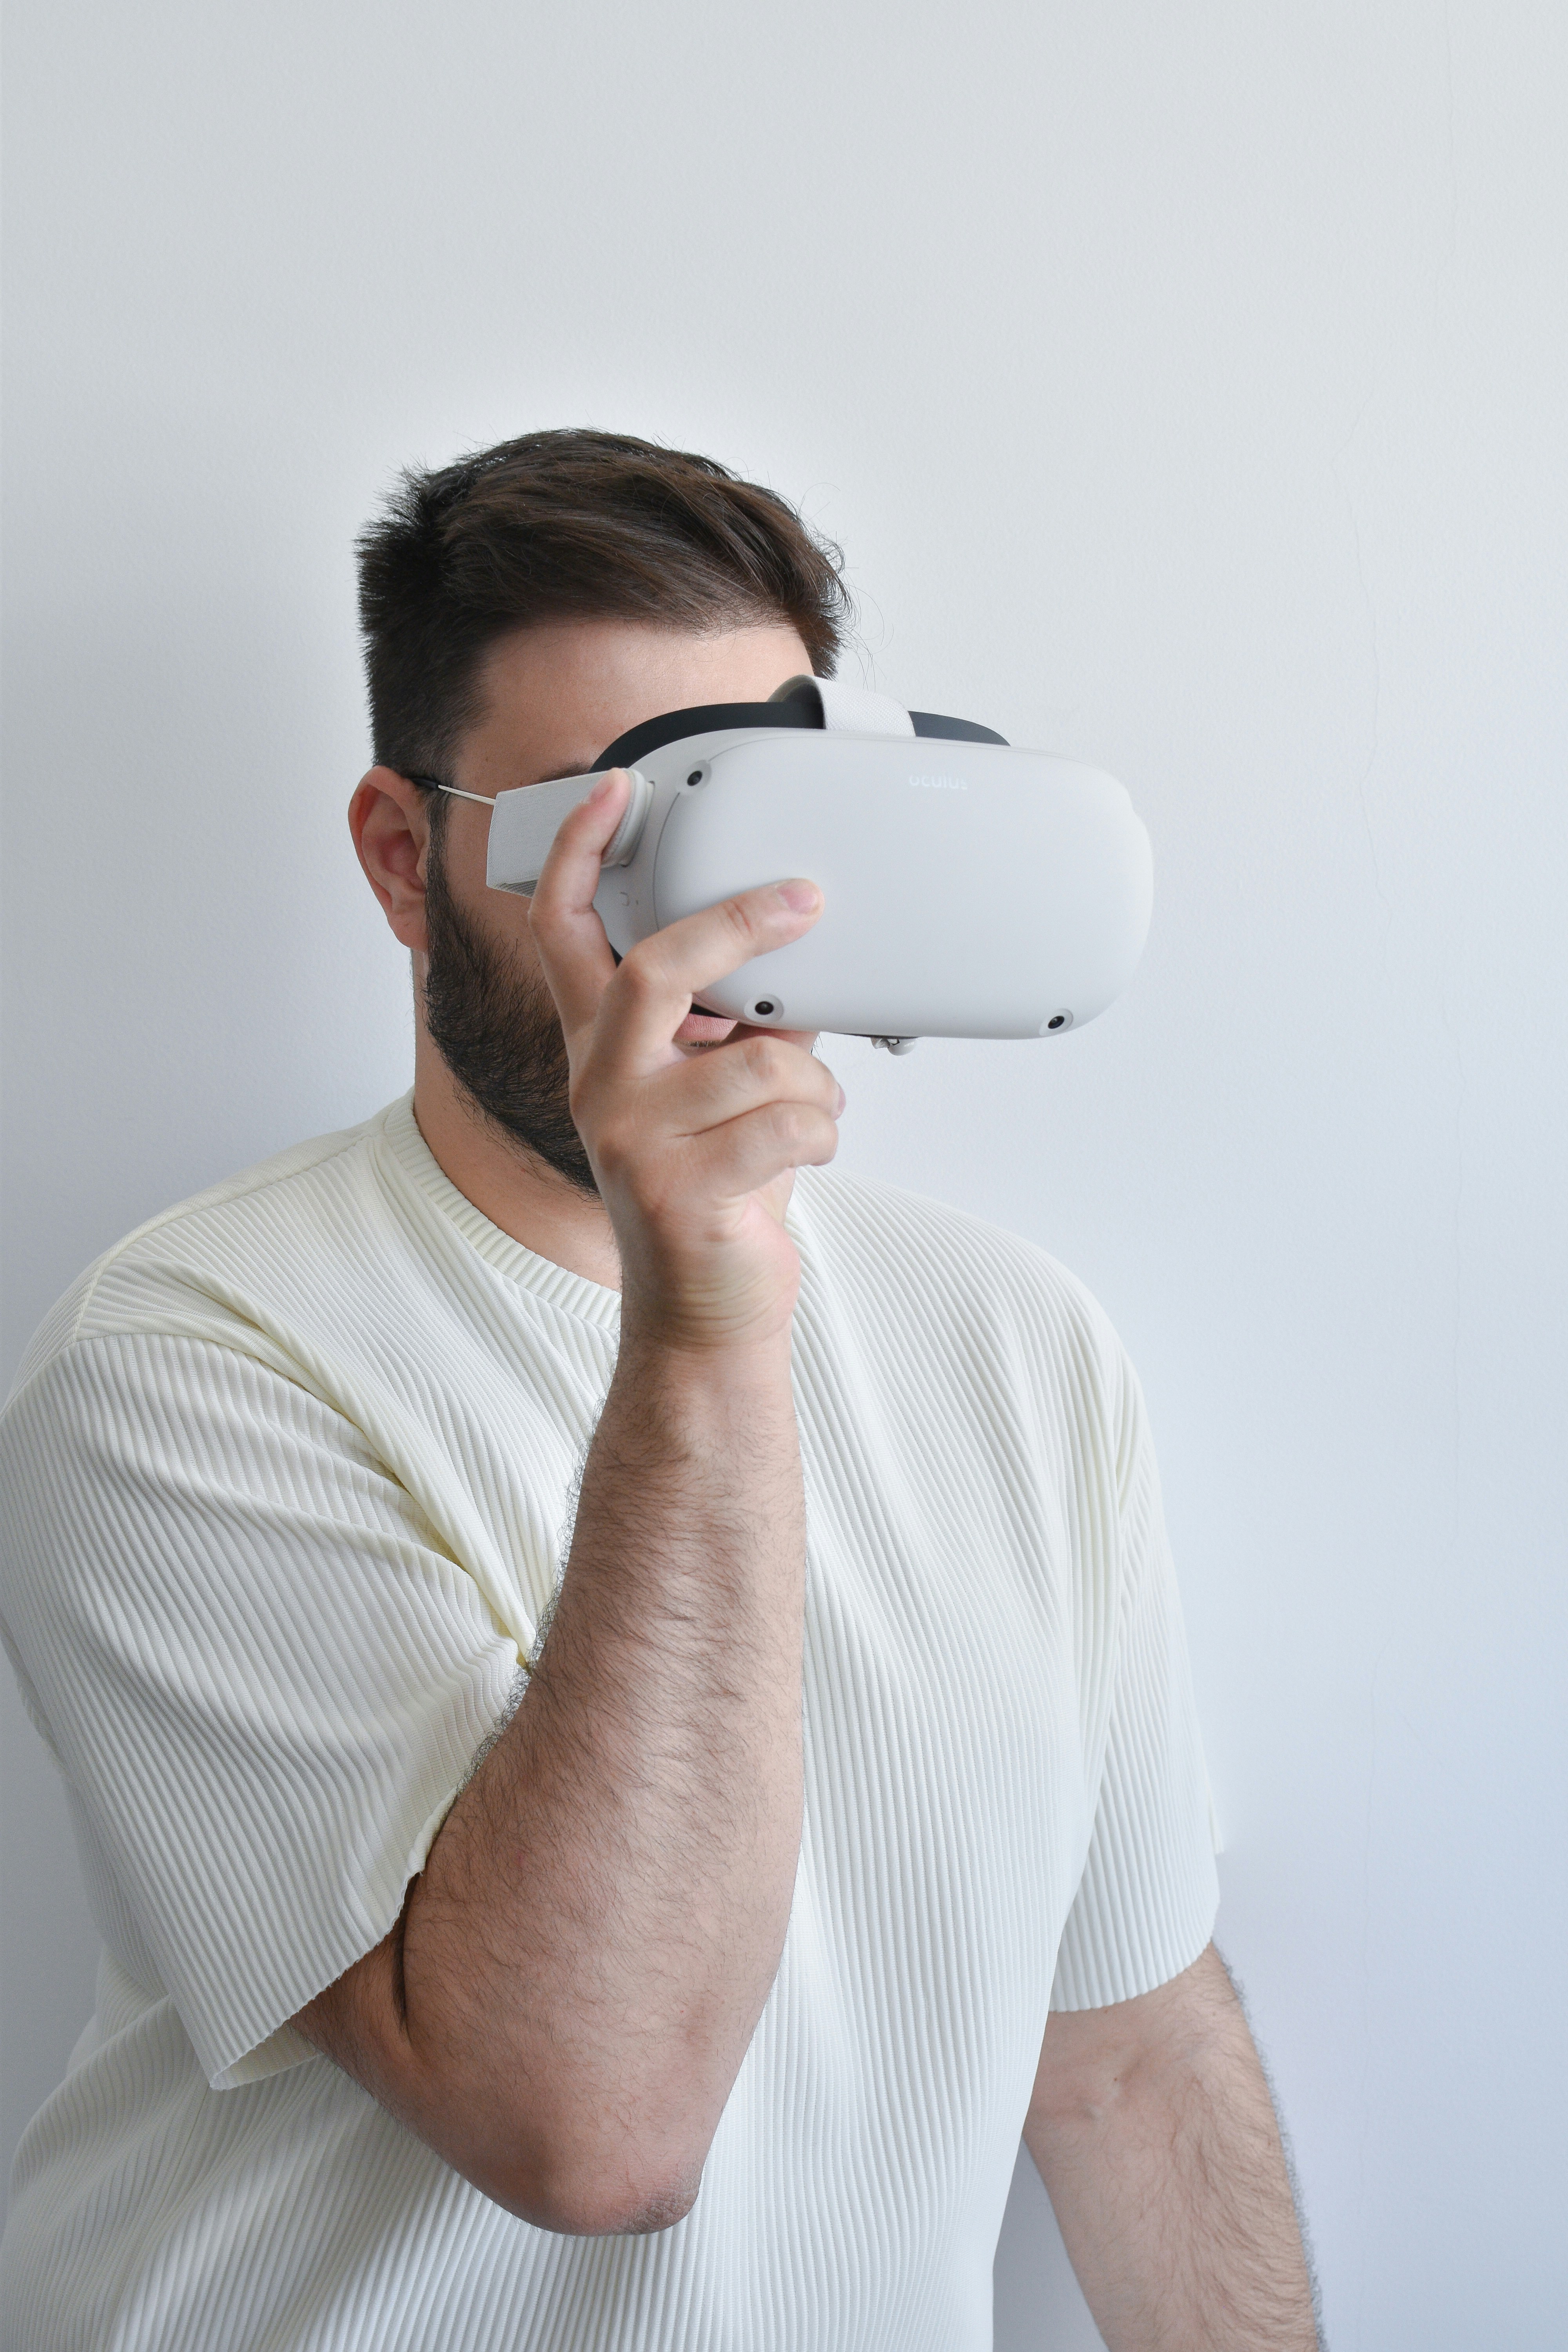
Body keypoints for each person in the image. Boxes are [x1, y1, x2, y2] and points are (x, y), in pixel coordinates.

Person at [0, 429, 1320, 2350]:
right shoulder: (182, 1361)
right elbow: (589, 2130)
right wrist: (702, 1321)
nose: (704, 940)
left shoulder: (1015, 1341)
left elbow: (1125, 2061)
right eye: (626, 834)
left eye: (758, 824)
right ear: (406, 858)